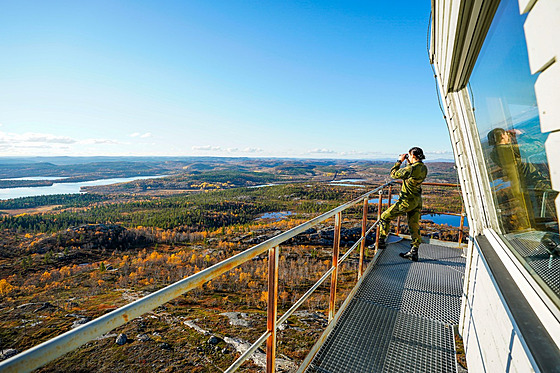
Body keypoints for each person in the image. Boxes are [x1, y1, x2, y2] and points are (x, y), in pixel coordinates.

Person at [378, 147, 428, 261]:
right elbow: (411, 172)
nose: (408, 158)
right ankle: (414, 251)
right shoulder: (423, 168)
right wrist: (409, 163)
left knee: (384, 217)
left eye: (409, 156)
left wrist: (399, 161)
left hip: (406, 201)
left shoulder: (410, 169)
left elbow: (394, 174)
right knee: (414, 225)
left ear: (413, 156)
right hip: (417, 201)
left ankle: (381, 241)